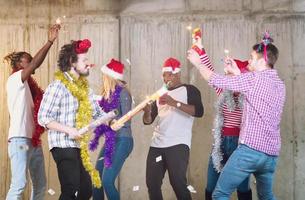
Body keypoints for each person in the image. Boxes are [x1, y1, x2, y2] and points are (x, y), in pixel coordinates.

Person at [187, 33, 285, 200]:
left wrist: (197, 62)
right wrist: (236, 72)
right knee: (266, 196)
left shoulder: (253, 80)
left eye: (252, 57)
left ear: (262, 61)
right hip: (270, 155)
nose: (249, 61)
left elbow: (215, 78)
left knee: (220, 194)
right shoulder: (279, 84)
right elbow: (252, 89)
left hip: (250, 151)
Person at [38, 39, 102, 200]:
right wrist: (69, 130)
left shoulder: (86, 89)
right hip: (62, 144)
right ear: (72, 62)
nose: (88, 64)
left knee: (86, 190)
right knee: (71, 188)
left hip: (78, 146)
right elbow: (43, 117)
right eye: (84, 60)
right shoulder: (57, 86)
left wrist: (111, 121)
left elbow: (98, 113)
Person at [5, 24, 60, 200]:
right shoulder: (15, 80)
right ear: (19, 64)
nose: (32, 62)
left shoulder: (30, 87)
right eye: (28, 60)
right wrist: (50, 41)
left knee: (41, 185)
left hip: (34, 142)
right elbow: (37, 62)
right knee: (19, 184)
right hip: (20, 140)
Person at [142, 57, 204, 200]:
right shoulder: (159, 94)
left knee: (177, 183)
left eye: (168, 74)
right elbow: (148, 121)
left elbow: (199, 111)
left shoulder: (190, 90)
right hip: (157, 144)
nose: (165, 78)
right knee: (152, 183)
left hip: (178, 144)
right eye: (164, 74)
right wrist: (146, 112)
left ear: (177, 74)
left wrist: (173, 102)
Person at [199, 50, 252, 200]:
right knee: (211, 185)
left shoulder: (249, 94)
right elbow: (210, 72)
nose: (227, 78)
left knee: (242, 187)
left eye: (231, 75)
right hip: (220, 143)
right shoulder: (223, 90)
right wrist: (200, 50)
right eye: (226, 75)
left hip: (240, 144)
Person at [91, 58, 133, 200]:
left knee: (107, 181)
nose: (102, 79)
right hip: (111, 140)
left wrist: (112, 121)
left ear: (110, 77)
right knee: (97, 179)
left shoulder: (123, 93)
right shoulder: (107, 96)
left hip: (123, 140)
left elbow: (127, 119)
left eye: (104, 76)